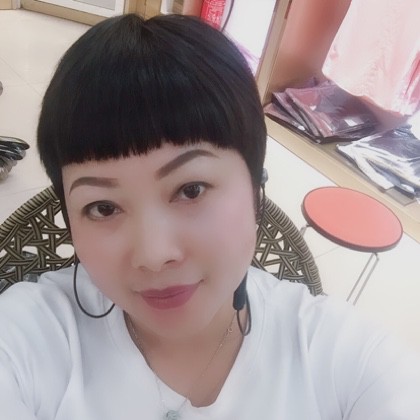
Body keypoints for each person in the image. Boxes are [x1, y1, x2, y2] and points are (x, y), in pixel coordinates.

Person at [0, 13, 419, 420]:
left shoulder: (340, 358)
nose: (154, 255)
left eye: (190, 190)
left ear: (255, 190)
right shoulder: (29, 338)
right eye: (103, 208)